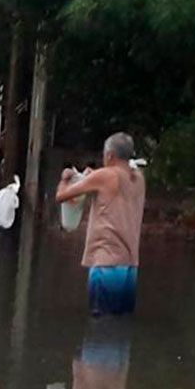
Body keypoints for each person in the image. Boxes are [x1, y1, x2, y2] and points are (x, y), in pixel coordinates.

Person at [55, 132, 146, 316]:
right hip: (129, 265)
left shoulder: (105, 176)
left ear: (110, 155)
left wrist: (65, 178)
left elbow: (62, 196)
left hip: (107, 262)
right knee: (120, 323)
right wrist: (92, 175)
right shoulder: (138, 177)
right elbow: (111, 181)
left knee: (102, 323)